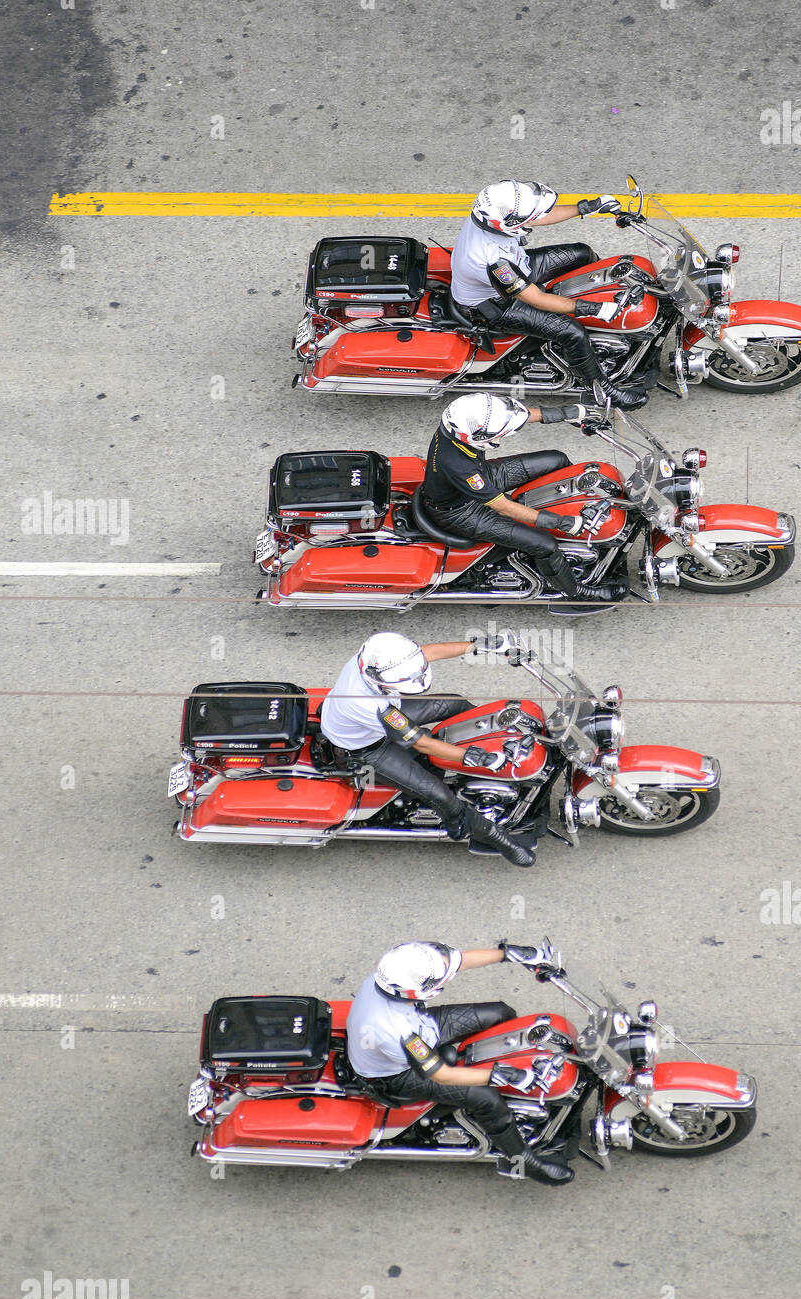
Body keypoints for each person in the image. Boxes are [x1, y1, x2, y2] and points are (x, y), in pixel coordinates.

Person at [346, 939, 573, 1186]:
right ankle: (523, 1160)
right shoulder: (395, 1030)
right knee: (486, 1098)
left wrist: (514, 955)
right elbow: (441, 1074)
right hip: (396, 1074)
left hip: (422, 1025)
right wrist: (499, 1074)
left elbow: (458, 961)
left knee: (499, 1013)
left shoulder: (392, 977)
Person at [318, 631, 536, 867]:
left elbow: (432, 651)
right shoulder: (371, 706)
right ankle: (492, 836)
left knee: (455, 703)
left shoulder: (372, 659)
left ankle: (487, 740)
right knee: (439, 794)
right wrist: (474, 756)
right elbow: (422, 743)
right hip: (367, 750)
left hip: (380, 713)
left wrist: (480, 646)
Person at [449, 178, 647, 410]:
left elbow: (537, 217)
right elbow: (536, 298)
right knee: (572, 332)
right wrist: (595, 309)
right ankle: (602, 392)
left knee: (583, 254)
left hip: (519, 265)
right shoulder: (493, 262)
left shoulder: (488, 216)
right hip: (496, 305)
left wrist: (589, 207)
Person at [418, 392, 627, 609]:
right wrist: (563, 523)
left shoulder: (458, 424)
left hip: (480, 477)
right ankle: (577, 594)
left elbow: (514, 416)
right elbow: (504, 507)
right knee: (544, 544)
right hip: (461, 512)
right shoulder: (462, 468)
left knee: (557, 459)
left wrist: (569, 412)